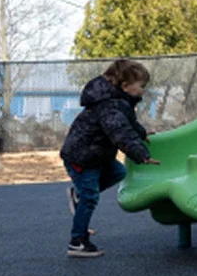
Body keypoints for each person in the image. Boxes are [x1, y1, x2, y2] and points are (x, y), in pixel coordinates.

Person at [60, 59, 160, 258]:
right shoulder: (110, 106)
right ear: (125, 86)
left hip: (97, 155)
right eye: (141, 86)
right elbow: (119, 132)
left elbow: (128, 123)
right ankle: (77, 242)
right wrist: (141, 154)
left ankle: (78, 196)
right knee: (90, 197)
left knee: (118, 172)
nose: (143, 90)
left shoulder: (119, 102)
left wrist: (141, 133)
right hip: (83, 158)